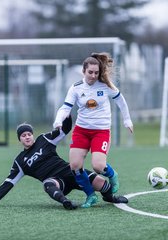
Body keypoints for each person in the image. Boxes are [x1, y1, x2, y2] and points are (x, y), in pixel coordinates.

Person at [0, 115, 128, 210]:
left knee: (102, 184)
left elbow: (64, 130)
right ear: (20, 140)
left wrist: (67, 114)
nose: (27, 137)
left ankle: (110, 197)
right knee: (47, 184)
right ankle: (66, 202)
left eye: (29, 134)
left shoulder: (44, 139)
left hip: (72, 171)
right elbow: (8, 183)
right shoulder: (20, 162)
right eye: (23, 136)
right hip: (58, 182)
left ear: (33, 135)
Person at [53, 52, 133, 208]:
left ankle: (112, 175)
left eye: (96, 73)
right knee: (75, 167)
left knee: (98, 166)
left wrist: (127, 120)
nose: (93, 75)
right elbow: (66, 107)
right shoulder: (76, 88)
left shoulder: (106, 85)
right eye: (90, 72)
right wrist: (58, 121)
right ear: (84, 71)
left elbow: (121, 102)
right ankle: (90, 195)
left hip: (101, 131)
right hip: (81, 131)